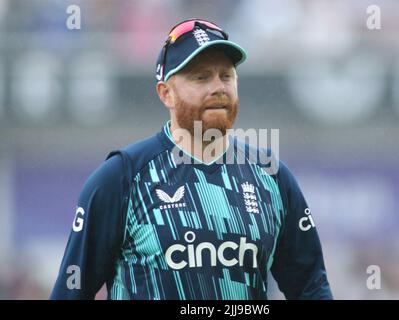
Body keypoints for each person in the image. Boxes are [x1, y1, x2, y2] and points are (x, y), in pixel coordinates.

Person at [50, 19, 333, 300]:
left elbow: (311, 288)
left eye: (226, 76)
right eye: (201, 77)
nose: (218, 87)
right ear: (166, 94)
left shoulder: (270, 176)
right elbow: (71, 292)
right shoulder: (121, 178)